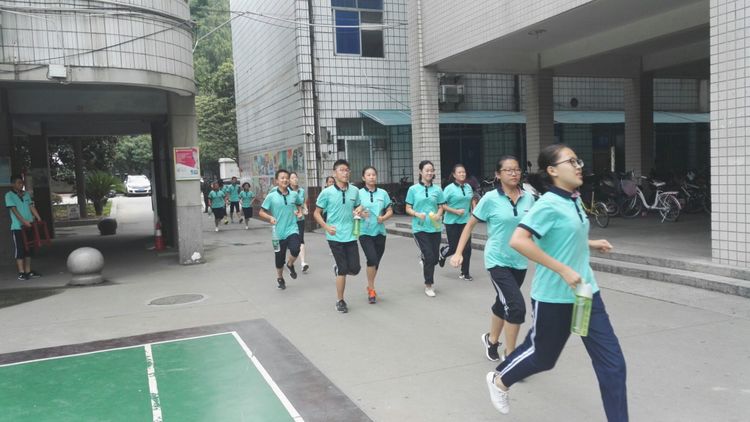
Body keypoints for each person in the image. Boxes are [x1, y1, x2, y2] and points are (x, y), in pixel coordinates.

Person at [485, 144, 627, 421]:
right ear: (552, 170)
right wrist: (562, 270)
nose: (578, 166)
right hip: (553, 297)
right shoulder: (548, 203)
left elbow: (560, 236)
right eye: (571, 161)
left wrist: (590, 243)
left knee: (613, 365)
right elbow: (519, 240)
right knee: (544, 357)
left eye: (578, 161)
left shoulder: (573, 198)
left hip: (585, 293)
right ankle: (499, 380)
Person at [450, 156, 534, 363]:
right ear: (498, 174)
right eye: (508, 170)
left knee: (502, 301)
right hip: (497, 260)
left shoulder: (529, 198)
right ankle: (511, 357)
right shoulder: (490, 199)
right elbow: (469, 225)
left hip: (519, 261)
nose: (514, 173)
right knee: (515, 306)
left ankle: (492, 340)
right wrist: (458, 252)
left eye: (517, 169)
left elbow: (535, 230)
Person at [313, 159, 362, 313]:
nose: (345, 173)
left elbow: (358, 206)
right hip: (334, 236)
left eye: (347, 170)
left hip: (351, 234)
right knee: (343, 269)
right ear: (334, 173)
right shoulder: (326, 193)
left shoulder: (355, 191)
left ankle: (339, 268)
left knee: (355, 269)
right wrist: (326, 227)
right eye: (341, 170)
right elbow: (316, 213)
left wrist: (359, 210)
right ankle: (340, 301)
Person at [405, 160, 445, 297]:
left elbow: (441, 206)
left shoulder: (438, 190)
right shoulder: (413, 189)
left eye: (431, 170)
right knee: (429, 255)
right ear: (421, 172)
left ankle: (425, 261)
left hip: (435, 227)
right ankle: (429, 285)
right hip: (420, 228)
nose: (429, 173)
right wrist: (416, 214)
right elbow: (408, 208)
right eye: (427, 170)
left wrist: (439, 215)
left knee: (434, 259)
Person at [259, 169, 304, 290]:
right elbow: (261, 212)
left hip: (292, 228)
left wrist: (300, 212)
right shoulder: (271, 196)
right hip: (278, 233)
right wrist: (270, 218)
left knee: (295, 249)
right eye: (282, 178)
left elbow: (299, 204)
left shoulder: (294, 194)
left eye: (286, 178)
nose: (285, 180)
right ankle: (280, 277)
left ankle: (290, 264)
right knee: (279, 259)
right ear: (277, 181)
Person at [357, 166, 393, 304]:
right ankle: (371, 289)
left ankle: (370, 285)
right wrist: (360, 213)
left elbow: (390, 210)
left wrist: (383, 218)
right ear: (363, 177)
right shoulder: (358, 193)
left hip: (380, 232)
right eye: (368, 175)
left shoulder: (383, 193)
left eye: (373, 174)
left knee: (376, 261)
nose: (371, 177)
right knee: (371, 259)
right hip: (364, 232)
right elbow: (353, 211)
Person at [439, 164, 476, 281]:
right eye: (459, 172)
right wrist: (455, 211)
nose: (462, 174)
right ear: (454, 175)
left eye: (463, 172)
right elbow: (442, 205)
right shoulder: (449, 188)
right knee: (454, 248)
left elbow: (471, 199)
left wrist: (474, 209)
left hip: (465, 221)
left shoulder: (468, 187)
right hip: (452, 222)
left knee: (467, 248)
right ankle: (443, 253)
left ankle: (465, 273)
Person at [5, 175, 43, 281]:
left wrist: (38, 217)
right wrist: (24, 222)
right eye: (19, 183)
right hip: (18, 227)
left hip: (29, 225)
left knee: (29, 249)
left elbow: (31, 206)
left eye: (22, 183)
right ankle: (21, 272)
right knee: (20, 249)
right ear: (13, 184)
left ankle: (28, 271)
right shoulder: (9, 195)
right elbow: (14, 210)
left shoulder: (26, 194)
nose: (21, 185)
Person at [289, 172, 310, 273]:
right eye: (293, 178)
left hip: (300, 219)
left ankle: (303, 263)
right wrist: (292, 211)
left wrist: (305, 209)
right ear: (289, 180)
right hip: (289, 220)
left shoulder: (301, 191)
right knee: (291, 242)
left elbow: (303, 203)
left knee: (301, 240)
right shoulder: (287, 191)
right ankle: (288, 260)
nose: (295, 179)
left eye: (296, 177)